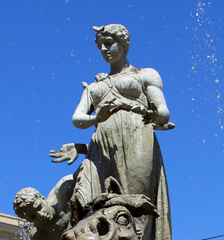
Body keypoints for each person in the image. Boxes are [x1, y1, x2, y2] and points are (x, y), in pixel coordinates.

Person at [50, 24, 174, 240]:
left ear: (124, 43)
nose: (104, 49)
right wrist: (96, 118)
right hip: (101, 145)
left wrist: (156, 115)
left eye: (109, 43)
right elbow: (77, 118)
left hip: (137, 135)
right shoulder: (94, 87)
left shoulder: (144, 74)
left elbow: (163, 110)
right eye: (100, 46)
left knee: (136, 204)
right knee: (90, 205)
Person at [13, 172, 78, 240]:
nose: (41, 215)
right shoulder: (40, 234)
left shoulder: (63, 191)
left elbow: (86, 167)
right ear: (29, 220)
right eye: (33, 216)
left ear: (43, 198)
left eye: (39, 207)